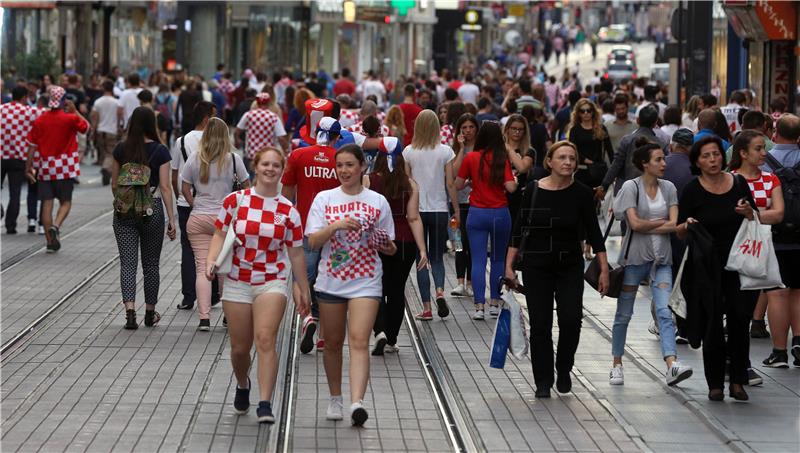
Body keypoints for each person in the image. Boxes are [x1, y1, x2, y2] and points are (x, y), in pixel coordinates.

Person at [205, 147, 310, 424]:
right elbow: (219, 232)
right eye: (266, 164)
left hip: (272, 281)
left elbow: (296, 252)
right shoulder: (235, 201)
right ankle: (243, 384)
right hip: (237, 281)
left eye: (276, 165)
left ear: (282, 170)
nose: (270, 169)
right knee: (240, 349)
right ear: (256, 166)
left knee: (265, 339)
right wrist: (211, 260)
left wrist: (304, 288)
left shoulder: (289, 211)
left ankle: (265, 402)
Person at [505, 141, 609, 398]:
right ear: (549, 162)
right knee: (540, 324)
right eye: (562, 157)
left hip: (569, 265)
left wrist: (604, 269)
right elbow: (518, 231)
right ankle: (542, 380)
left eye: (572, 158)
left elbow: (595, 235)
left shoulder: (583, 193)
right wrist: (509, 266)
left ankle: (564, 368)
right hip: (537, 266)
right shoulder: (532, 190)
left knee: (571, 319)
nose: (568, 162)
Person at [305, 144, 397, 426]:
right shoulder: (324, 199)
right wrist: (336, 226)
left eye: (349, 165)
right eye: (340, 166)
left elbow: (391, 247)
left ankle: (357, 402)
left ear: (362, 167)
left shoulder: (378, 201)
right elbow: (312, 241)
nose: (344, 171)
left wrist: (382, 241)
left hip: (366, 280)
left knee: (359, 341)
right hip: (331, 280)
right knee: (332, 343)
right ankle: (335, 397)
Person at [676, 135, 759, 401]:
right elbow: (678, 230)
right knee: (712, 321)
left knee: (739, 318)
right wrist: (686, 225)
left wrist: (749, 213)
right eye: (706, 156)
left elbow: (754, 216)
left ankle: (737, 379)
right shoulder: (691, 190)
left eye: (716, 154)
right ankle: (714, 383)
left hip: (738, 262)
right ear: (697, 162)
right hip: (706, 266)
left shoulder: (738, 183)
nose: (713, 160)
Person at [609, 139, 694, 386]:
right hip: (634, 260)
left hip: (662, 260)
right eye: (658, 159)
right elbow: (635, 224)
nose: (663, 163)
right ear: (644, 164)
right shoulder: (630, 188)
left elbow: (675, 226)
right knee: (624, 314)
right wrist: (662, 223)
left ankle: (672, 364)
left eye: (663, 158)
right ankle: (616, 363)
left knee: (664, 311)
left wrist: (654, 224)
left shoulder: (669, 188)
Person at [281, 117, 345, 354]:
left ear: (315, 132)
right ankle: (323, 336)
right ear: (337, 138)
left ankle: (307, 317)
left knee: (303, 279)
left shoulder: (298, 155)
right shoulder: (340, 161)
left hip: (304, 228)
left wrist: (285, 223)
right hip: (332, 231)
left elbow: (287, 194)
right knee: (327, 283)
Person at [111, 106, 176, 329]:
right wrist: (172, 219)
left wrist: (125, 202)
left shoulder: (120, 149)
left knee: (127, 264)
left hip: (124, 213)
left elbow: (114, 185)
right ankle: (150, 313)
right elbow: (166, 187)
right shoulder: (161, 151)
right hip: (153, 210)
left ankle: (130, 313)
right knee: (151, 264)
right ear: (152, 125)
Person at [181, 118, 249, 331]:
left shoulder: (194, 158)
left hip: (199, 218)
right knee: (224, 269)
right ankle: (228, 316)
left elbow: (184, 188)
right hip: (225, 220)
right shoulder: (234, 160)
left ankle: (204, 318)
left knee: (203, 268)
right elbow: (247, 189)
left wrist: (196, 205)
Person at [728, 130, 785, 373]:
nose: (764, 153)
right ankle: (737, 360)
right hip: (734, 250)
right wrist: (763, 216)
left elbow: (779, 213)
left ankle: (745, 360)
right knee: (736, 308)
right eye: (759, 149)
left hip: (763, 249)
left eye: (764, 148)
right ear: (743, 153)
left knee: (761, 300)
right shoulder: (729, 179)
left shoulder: (771, 180)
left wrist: (754, 216)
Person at [366, 152, 428, 354]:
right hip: (405, 242)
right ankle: (392, 338)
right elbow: (413, 218)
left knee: (377, 289)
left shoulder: (369, 180)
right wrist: (422, 249)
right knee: (396, 290)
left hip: (378, 241)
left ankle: (380, 332)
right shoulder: (410, 184)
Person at [456, 121, 517, 319]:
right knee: (498, 259)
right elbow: (511, 188)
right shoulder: (502, 159)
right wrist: (513, 180)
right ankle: (494, 303)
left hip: (477, 213)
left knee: (478, 260)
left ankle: (479, 307)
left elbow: (457, 185)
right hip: (500, 213)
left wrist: (469, 181)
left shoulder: (471, 158)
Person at [402, 110, 459, 320]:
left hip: (417, 211)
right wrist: (456, 209)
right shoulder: (446, 151)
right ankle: (440, 291)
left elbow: (407, 183)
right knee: (437, 258)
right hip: (439, 210)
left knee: (421, 258)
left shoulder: (408, 152)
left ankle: (426, 308)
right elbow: (451, 183)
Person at [25, 86, 90, 252]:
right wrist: (75, 111)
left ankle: (50, 242)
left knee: (46, 204)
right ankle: (56, 225)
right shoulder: (69, 119)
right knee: (65, 202)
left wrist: (28, 168)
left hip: (45, 167)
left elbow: (31, 146)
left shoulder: (40, 120)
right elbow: (86, 128)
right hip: (65, 167)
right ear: (63, 101)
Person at [759, 114, 800, 368]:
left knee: (777, 293)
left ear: (775, 132)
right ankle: (799, 342)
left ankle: (779, 351)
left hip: (774, 237)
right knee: (798, 292)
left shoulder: (765, 164)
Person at [172, 101, 218, 311]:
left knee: (188, 250)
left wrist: (182, 197)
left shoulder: (181, 141)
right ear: (207, 119)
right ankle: (215, 292)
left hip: (187, 202)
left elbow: (175, 176)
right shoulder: (218, 142)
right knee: (216, 248)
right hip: (215, 204)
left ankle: (189, 296)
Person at [597, 105, 665, 199]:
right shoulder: (661, 144)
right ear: (655, 123)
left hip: (626, 190)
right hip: (652, 192)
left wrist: (604, 185)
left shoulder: (627, 140)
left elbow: (616, 165)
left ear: (638, 121)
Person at [450, 114, 478, 298]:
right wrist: (461, 149)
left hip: (476, 203)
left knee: (474, 245)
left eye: (471, 127)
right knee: (459, 243)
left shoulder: (481, 149)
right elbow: (453, 173)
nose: (468, 131)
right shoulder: (454, 150)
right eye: (464, 128)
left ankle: (471, 282)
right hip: (457, 203)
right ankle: (460, 282)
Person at [2, 85, 36, 234]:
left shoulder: (1, 109)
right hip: (18, 157)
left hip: (1, 155)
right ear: (24, 97)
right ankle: (10, 226)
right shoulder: (29, 111)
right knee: (15, 193)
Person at [235, 93, 288, 173]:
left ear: (257, 102)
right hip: (267, 156)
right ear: (269, 103)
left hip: (251, 155)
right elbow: (281, 138)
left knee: (249, 180)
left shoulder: (248, 115)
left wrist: (237, 141)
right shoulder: (274, 117)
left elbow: (237, 131)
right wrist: (285, 151)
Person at [503, 114, 535, 229]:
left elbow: (522, 168)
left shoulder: (529, 151)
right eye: (514, 128)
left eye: (520, 129)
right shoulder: (498, 149)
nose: (517, 132)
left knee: (515, 234)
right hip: (499, 195)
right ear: (507, 129)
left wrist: (509, 149)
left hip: (519, 198)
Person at [90, 80, 122, 186]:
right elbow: (119, 117)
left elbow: (94, 117)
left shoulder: (98, 102)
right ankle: (106, 168)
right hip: (112, 131)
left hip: (100, 130)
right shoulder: (116, 102)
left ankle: (105, 168)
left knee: (103, 152)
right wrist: (118, 128)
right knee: (110, 153)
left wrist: (93, 131)